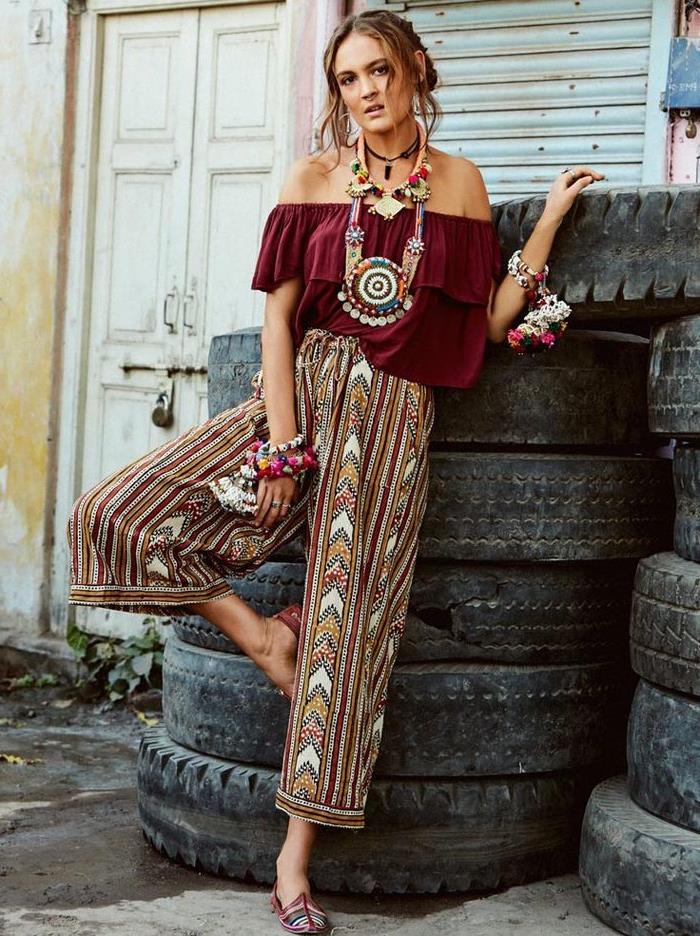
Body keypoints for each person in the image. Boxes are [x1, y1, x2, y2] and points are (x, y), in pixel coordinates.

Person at [66, 9, 604, 934]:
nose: (367, 92)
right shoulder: (311, 179)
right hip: (307, 397)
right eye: (350, 78)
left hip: (396, 425)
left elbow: (480, 326)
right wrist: (280, 444)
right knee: (120, 513)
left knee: (350, 639)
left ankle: (292, 863)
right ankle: (262, 638)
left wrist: (547, 223)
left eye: (381, 71)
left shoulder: (462, 185)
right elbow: (277, 322)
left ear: (415, 72)